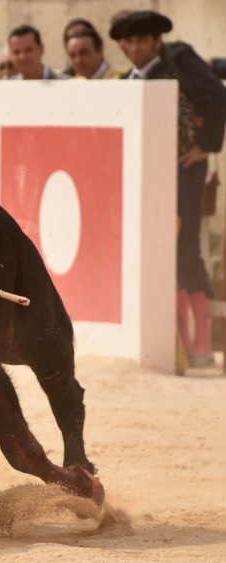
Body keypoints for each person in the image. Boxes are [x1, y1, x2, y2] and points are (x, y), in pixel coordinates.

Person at [110, 10, 226, 368]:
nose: (134, 47)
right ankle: (177, 344)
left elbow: (215, 96)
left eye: (141, 40)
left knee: (185, 247)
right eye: (127, 42)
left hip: (183, 171)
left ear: (156, 41)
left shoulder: (178, 59)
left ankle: (198, 346)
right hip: (147, 174)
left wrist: (207, 144)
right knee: (161, 250)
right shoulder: (128, 78)